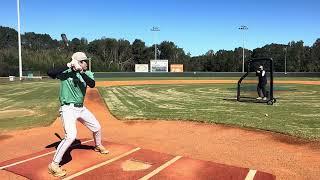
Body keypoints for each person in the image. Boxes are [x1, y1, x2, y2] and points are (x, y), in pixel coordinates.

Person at [47, 52, 109, 177]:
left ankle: (98, 145)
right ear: (78, 62)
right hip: (68, 108)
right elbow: (50, 72)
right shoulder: (66, 73)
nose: (86, 63)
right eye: (84, 61)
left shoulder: (87, 73)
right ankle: (54, 165)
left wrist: (80, 71)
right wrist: (68, 66)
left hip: (81, 108)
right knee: (70, 136)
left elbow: (92, 84)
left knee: (97, 127)